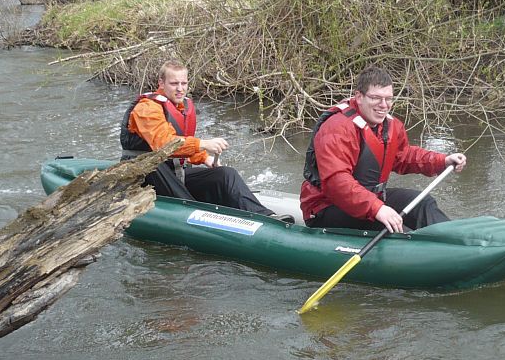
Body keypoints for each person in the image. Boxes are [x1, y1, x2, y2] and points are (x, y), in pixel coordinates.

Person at [121, 59, 293, 222]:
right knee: (160, 169)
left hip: (171, 171)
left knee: (226, 174)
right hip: (146, 175)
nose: (180, 89)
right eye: (174, 84)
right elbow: (164, 144)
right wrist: (203, 144)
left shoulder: (180, 106)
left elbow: (181, 142)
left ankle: (266, 217)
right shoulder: (147, 108)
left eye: (184, 83)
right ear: (161, 83)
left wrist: (204, 158)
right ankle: (192, 210)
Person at [300, 65, 466, 233]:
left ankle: (457, 241)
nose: (383, 105)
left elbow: (404, 156)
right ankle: (423, 251)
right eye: (376, 98)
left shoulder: (390, 126)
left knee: (424, 202)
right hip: (327, 207)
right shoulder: (337, 129)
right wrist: (377, 208)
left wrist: (442, 161)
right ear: (359, 97)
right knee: (395, 228)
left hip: (369, 201)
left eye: (388, 99)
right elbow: (337, 183)